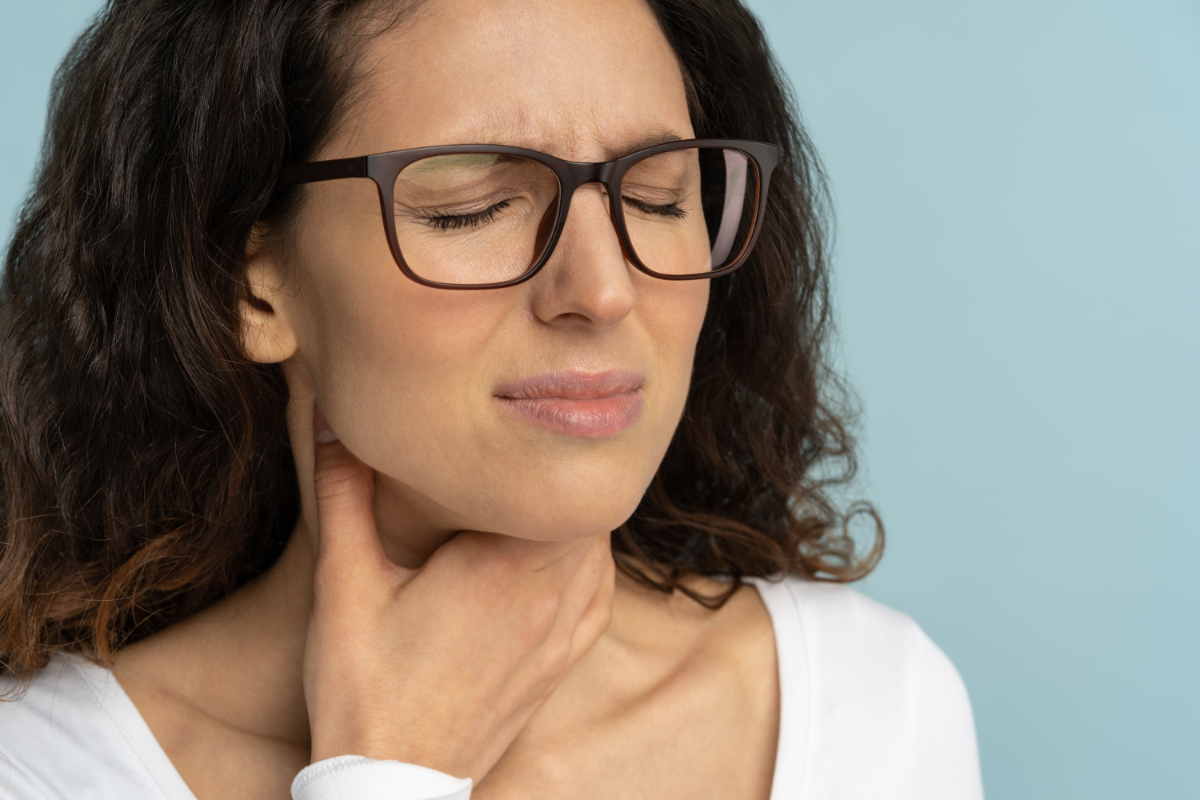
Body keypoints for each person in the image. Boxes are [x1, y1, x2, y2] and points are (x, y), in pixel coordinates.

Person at [0, 0, 983, 798]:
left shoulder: (871, 708)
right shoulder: (37, 770)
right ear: (249, 286)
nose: (603, 290)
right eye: (472, 208)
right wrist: (384, 773)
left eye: (658, 197)